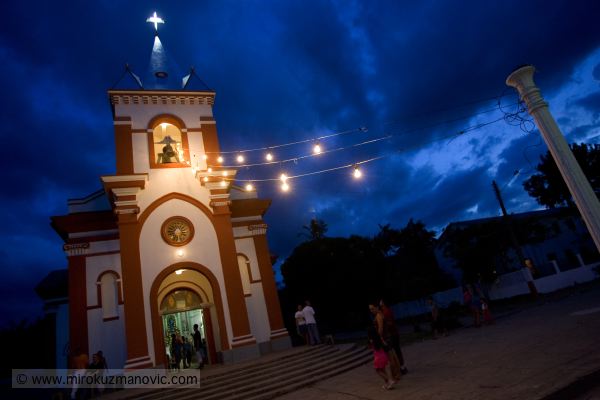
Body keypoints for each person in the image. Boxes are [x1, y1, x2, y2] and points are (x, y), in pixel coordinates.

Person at [369, 303, 401, 381]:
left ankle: (395, 375)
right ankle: (396, 374)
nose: (371, 310)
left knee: (390, 358)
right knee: (392, 356)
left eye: (372, 308)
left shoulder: (379, 316)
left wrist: (378, 339)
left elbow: (380, 329)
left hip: (385, 339)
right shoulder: (380, 314)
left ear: (377, 307)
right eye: (370, 309)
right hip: (387, 338)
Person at [379, 299, 408, 375]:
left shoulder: (387, 312)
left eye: (381, 302)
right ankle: (401, 367)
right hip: (392, 334)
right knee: (396, 351)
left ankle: (402, 367)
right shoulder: (385, 311)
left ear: (384, 304)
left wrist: (384, 325)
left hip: (393, 334)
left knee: (396, 351)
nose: (380, 303)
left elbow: (390, 323)